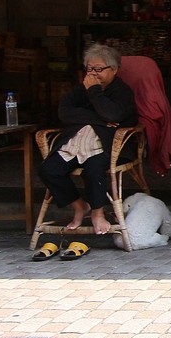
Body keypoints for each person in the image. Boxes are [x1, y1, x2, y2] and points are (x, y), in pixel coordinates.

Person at [38, 44, 138, 234]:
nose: (93, 74)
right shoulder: (81, 89)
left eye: (99, 69)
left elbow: (112, 113)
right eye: (90, 69)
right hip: (77, 143)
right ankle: (79, 206)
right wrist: (98, 119)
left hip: (110, 146)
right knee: (48, 169)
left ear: (114, 70)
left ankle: (97, 213)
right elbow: (64, 113)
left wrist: (94, 92)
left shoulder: (122, 91)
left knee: (93, 168)